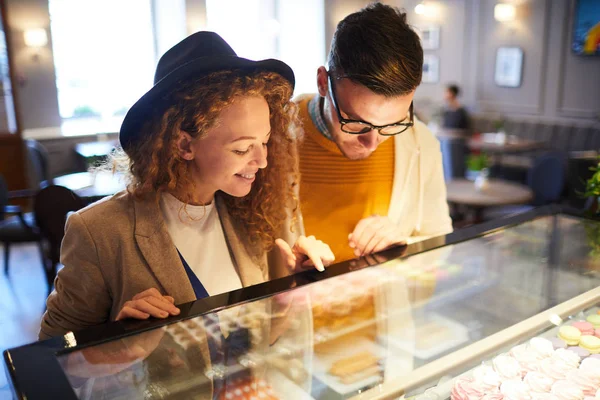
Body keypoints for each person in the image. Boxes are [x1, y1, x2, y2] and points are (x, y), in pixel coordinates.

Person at [39, 31, 334, 340]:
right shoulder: (99, 232)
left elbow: (259, 342)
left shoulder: (251, 216)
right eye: (242, 148)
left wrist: (293, 288)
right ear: (183, 144)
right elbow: (51, 354)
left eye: (264, 142)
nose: (261, 161)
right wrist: (117, 341)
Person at [295, 3, 452, 262]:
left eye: (393, 124)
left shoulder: (421, 144)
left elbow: (441, 247)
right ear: (323, 82)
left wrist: (404, 246)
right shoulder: (267, 140)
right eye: (356, 122)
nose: (372, 142)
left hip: (387, 304)